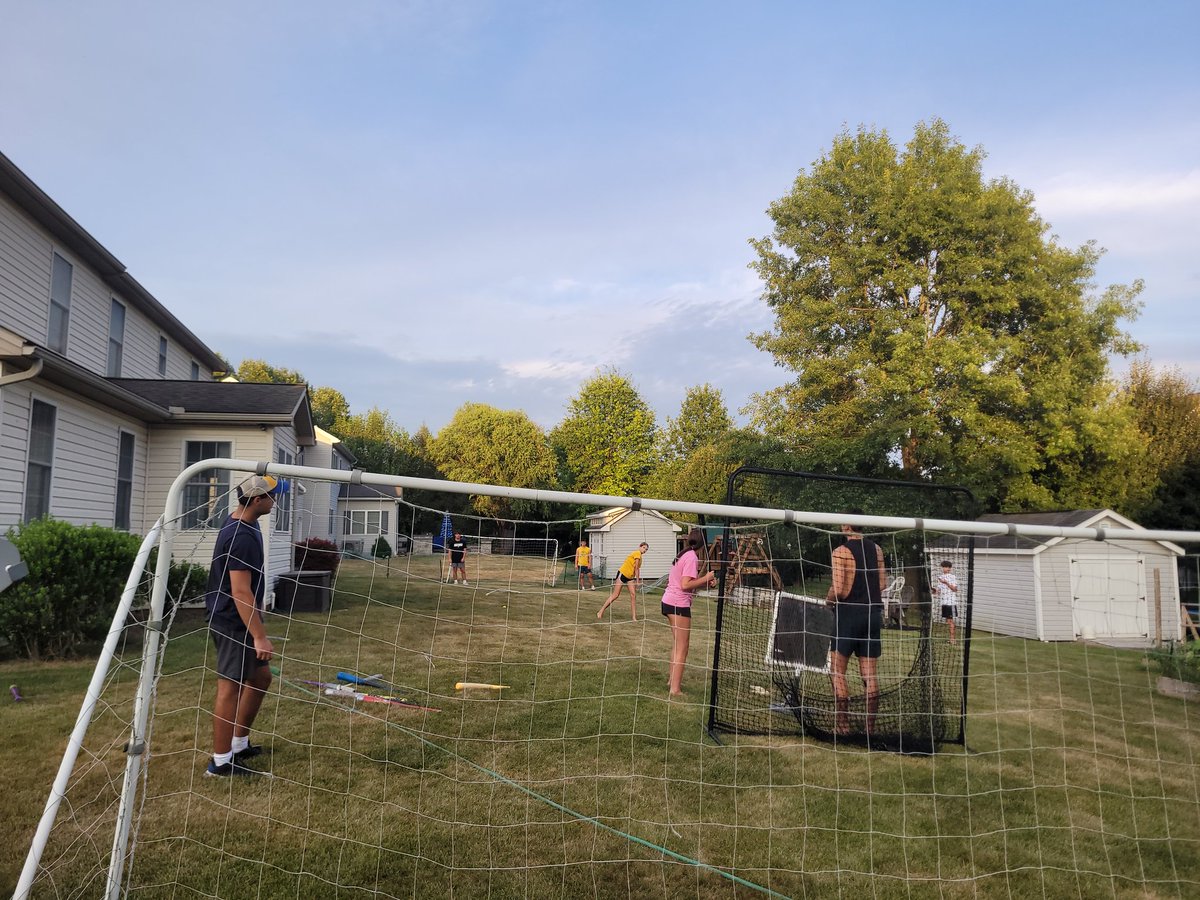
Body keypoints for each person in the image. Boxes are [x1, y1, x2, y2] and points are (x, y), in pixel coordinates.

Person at [203, 474, 281, 777]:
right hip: (232, 622)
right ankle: (220, 763)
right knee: (230, 688)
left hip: (240, 620)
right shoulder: (241, 536)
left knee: (261, 679)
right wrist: (259, 636)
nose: (276, 501)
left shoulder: (240, 520)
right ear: (258, 500)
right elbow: (240, 591)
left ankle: (239, 744)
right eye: (273, 496)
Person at [825, 515, 887, 737]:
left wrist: (828, 599)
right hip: (872, 615)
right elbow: (882, 584)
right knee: (869, 675)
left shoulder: (840, 552)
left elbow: (839, 589)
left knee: (837, 672)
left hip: (849, 615)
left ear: (845, 525)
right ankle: (870, 729)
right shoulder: (877, 550)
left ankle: (842, 725)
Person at [662, 530, 717, 696]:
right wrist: (707, 578)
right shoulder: (692, 557)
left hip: (669, 601)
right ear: (703, 544)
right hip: (678, 604)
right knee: (683, 647)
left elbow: (687, 584)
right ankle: (675, 690)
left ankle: (672, 681)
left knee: (677, 644)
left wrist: (706, 584)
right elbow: (685, 585)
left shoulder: (683, 554)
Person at [597, 541, 648, 621]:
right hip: (623, 574)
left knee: (633, 595)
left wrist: (635, 579)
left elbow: (636, 569)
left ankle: (634, 617)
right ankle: (601, 611)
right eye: (644, 548)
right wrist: (638, 581)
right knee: (615, 595)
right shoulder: (637, 553)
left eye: (646, 549)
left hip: (630, 577)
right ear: (640, 547)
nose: (645, 550)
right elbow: (636, 568)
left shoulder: (640, 558)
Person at [935, 560, 959, 644]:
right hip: (944, 603)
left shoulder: (952, 577)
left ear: (949, 568)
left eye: (947, 567)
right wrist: (933, 590)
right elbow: (937, 592)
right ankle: (951, 639)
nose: (945, 568)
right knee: (948, 621)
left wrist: (946, 583)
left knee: (950, 621)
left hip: (951, 603)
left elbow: (955, 589)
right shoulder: (940, 577)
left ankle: (953, 640)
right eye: (944, 567)